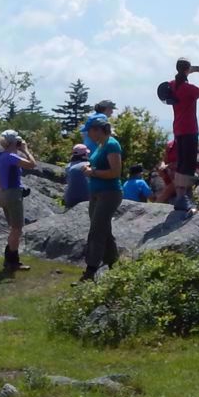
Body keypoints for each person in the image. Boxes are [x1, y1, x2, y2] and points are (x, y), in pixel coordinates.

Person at [160, 59, 199, 212]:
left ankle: (182, 198)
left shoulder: (171, 84)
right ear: (187, 70)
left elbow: (182, 74)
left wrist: (194, 69)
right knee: (188, 165)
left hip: (178, 129)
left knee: (182, 162)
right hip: (190, 129)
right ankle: (182, 198)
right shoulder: (189, 88)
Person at [81, 119, 124, 282]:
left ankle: (90, 270)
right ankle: (114, 265)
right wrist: (90, 169)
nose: (88, 134)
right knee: (104, 229)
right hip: (97, 193)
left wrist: (93, 172)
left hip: (109, 193)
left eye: (89, 131)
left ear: (98, 130)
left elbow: (115, 172)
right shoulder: (101, 144)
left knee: (97, 230)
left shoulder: (112, 144)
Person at [0, 130, 37, 272]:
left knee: (13, 228)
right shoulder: (11, 156)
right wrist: (26, 150)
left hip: (5, 193)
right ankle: (12, 261)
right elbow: (32, 164)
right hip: (13, 194)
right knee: (17, 228)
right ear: (13, 142)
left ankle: (10, 259)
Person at [63, 143, 92, 209]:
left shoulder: (68, 167)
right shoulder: (88, 165)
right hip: (86, 199)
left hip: (70, 200)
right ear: (84, 154)